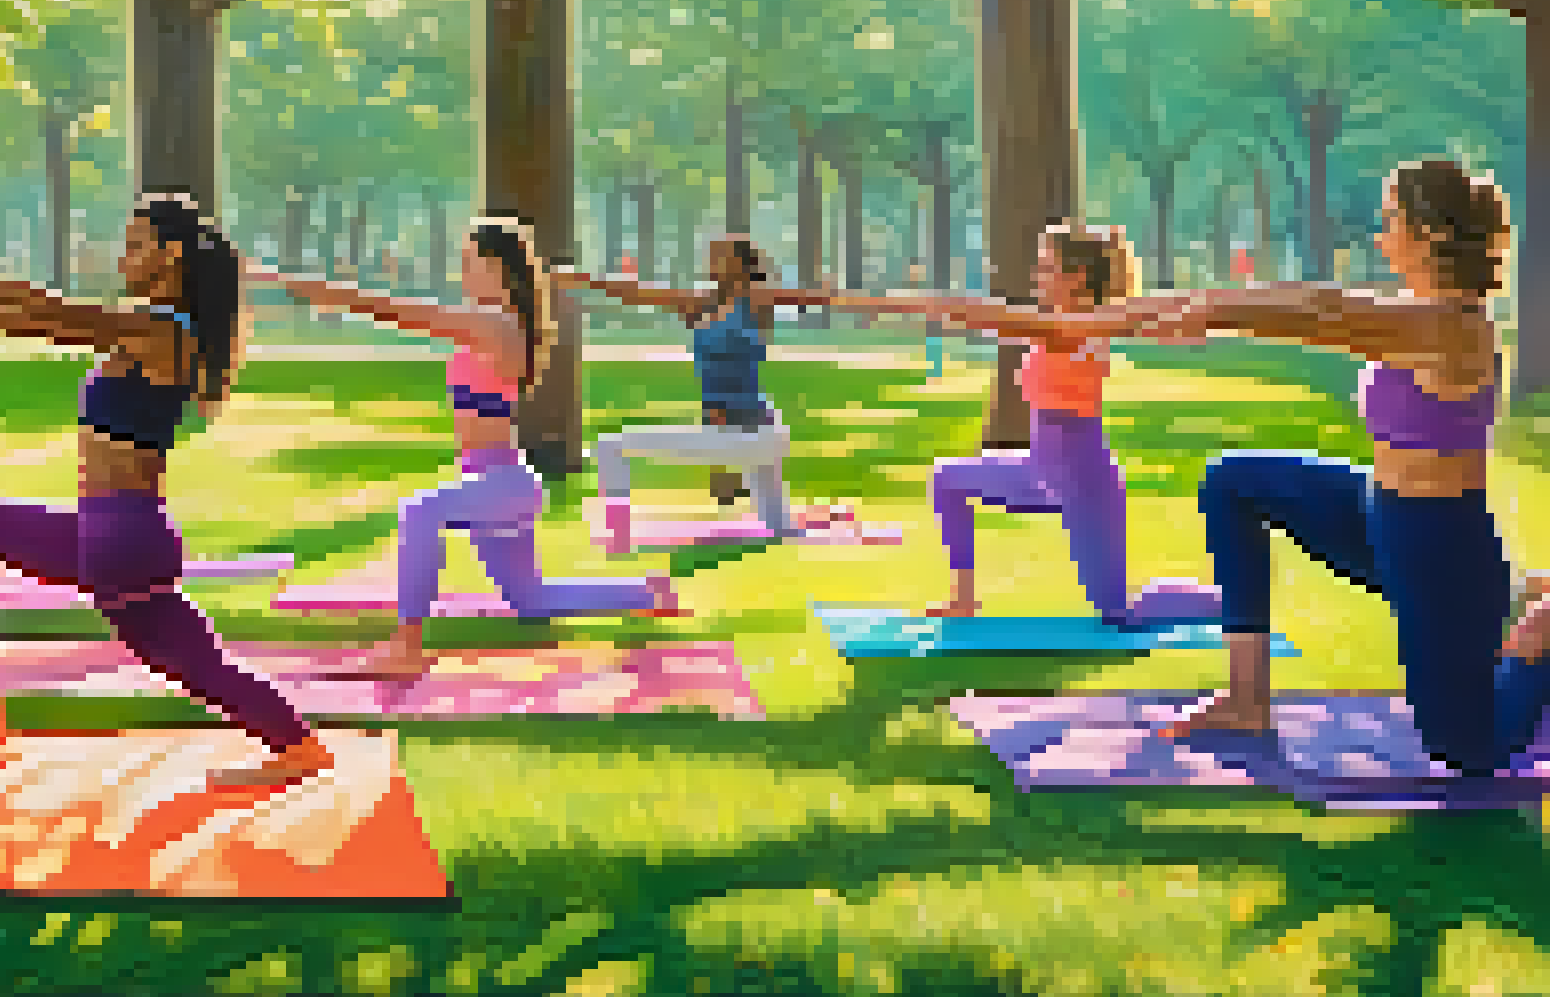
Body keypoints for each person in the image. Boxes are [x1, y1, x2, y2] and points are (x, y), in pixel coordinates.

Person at [0, 190, 332, 789]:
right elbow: (33, 317)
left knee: (192, 662)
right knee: (193, 663)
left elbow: (42, 310)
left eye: (135, 245)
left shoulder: (158, 329)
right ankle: (297, 744)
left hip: (122, 540)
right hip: (112, 535)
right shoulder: (145, 330)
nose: (122, 256)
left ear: (170, 255)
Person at [1148, 161, 1550, 775]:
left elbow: (1320, 310)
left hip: (1439, 546)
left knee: (1469, 751)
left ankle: (1539, 633)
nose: (1379, 234)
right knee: (1234, 480)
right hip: (1378, 512)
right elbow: (1320, 316)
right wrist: (1204, 308)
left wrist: (1212, 310)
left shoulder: (1452, 327)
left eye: (1389, 220)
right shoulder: (1415, 316)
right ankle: (1245, 697)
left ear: (1433, 234)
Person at [249, 216, 680, 680]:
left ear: (498, 268)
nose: (462, 271)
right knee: (529, 600)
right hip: (494, 481)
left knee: (420, 512)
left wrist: (298, 283)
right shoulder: (499, 321)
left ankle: (407, 647)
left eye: (470, 261)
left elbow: (391, 309)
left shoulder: (494, 323)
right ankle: (646, 594)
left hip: (502, 485)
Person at [755, 225, 1198, 624]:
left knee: (1119, 613)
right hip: (1041, 472)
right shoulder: (1055, 323)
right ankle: (964, 599)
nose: (1037, 276)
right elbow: (975, 315)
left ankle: (1228, 601)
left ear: (1078, 275)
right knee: (948, 479)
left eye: (1046, 267)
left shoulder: (1075, 326)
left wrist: (863, 301)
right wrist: (867, 303)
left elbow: (973, 311)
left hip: (1085, 481)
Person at [548, 237, 839, 554]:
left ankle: (619, 541)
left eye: (720, 255)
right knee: (779, 527)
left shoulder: (754, 298)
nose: (710, 259)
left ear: (741, 265)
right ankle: (814, 516)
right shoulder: (702, 301)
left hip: (756, 428)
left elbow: (805, 297)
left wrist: (863, 298)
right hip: (725, 426)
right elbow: (640, 294)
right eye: (711, 253)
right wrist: (583, 279)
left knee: (609, 446)